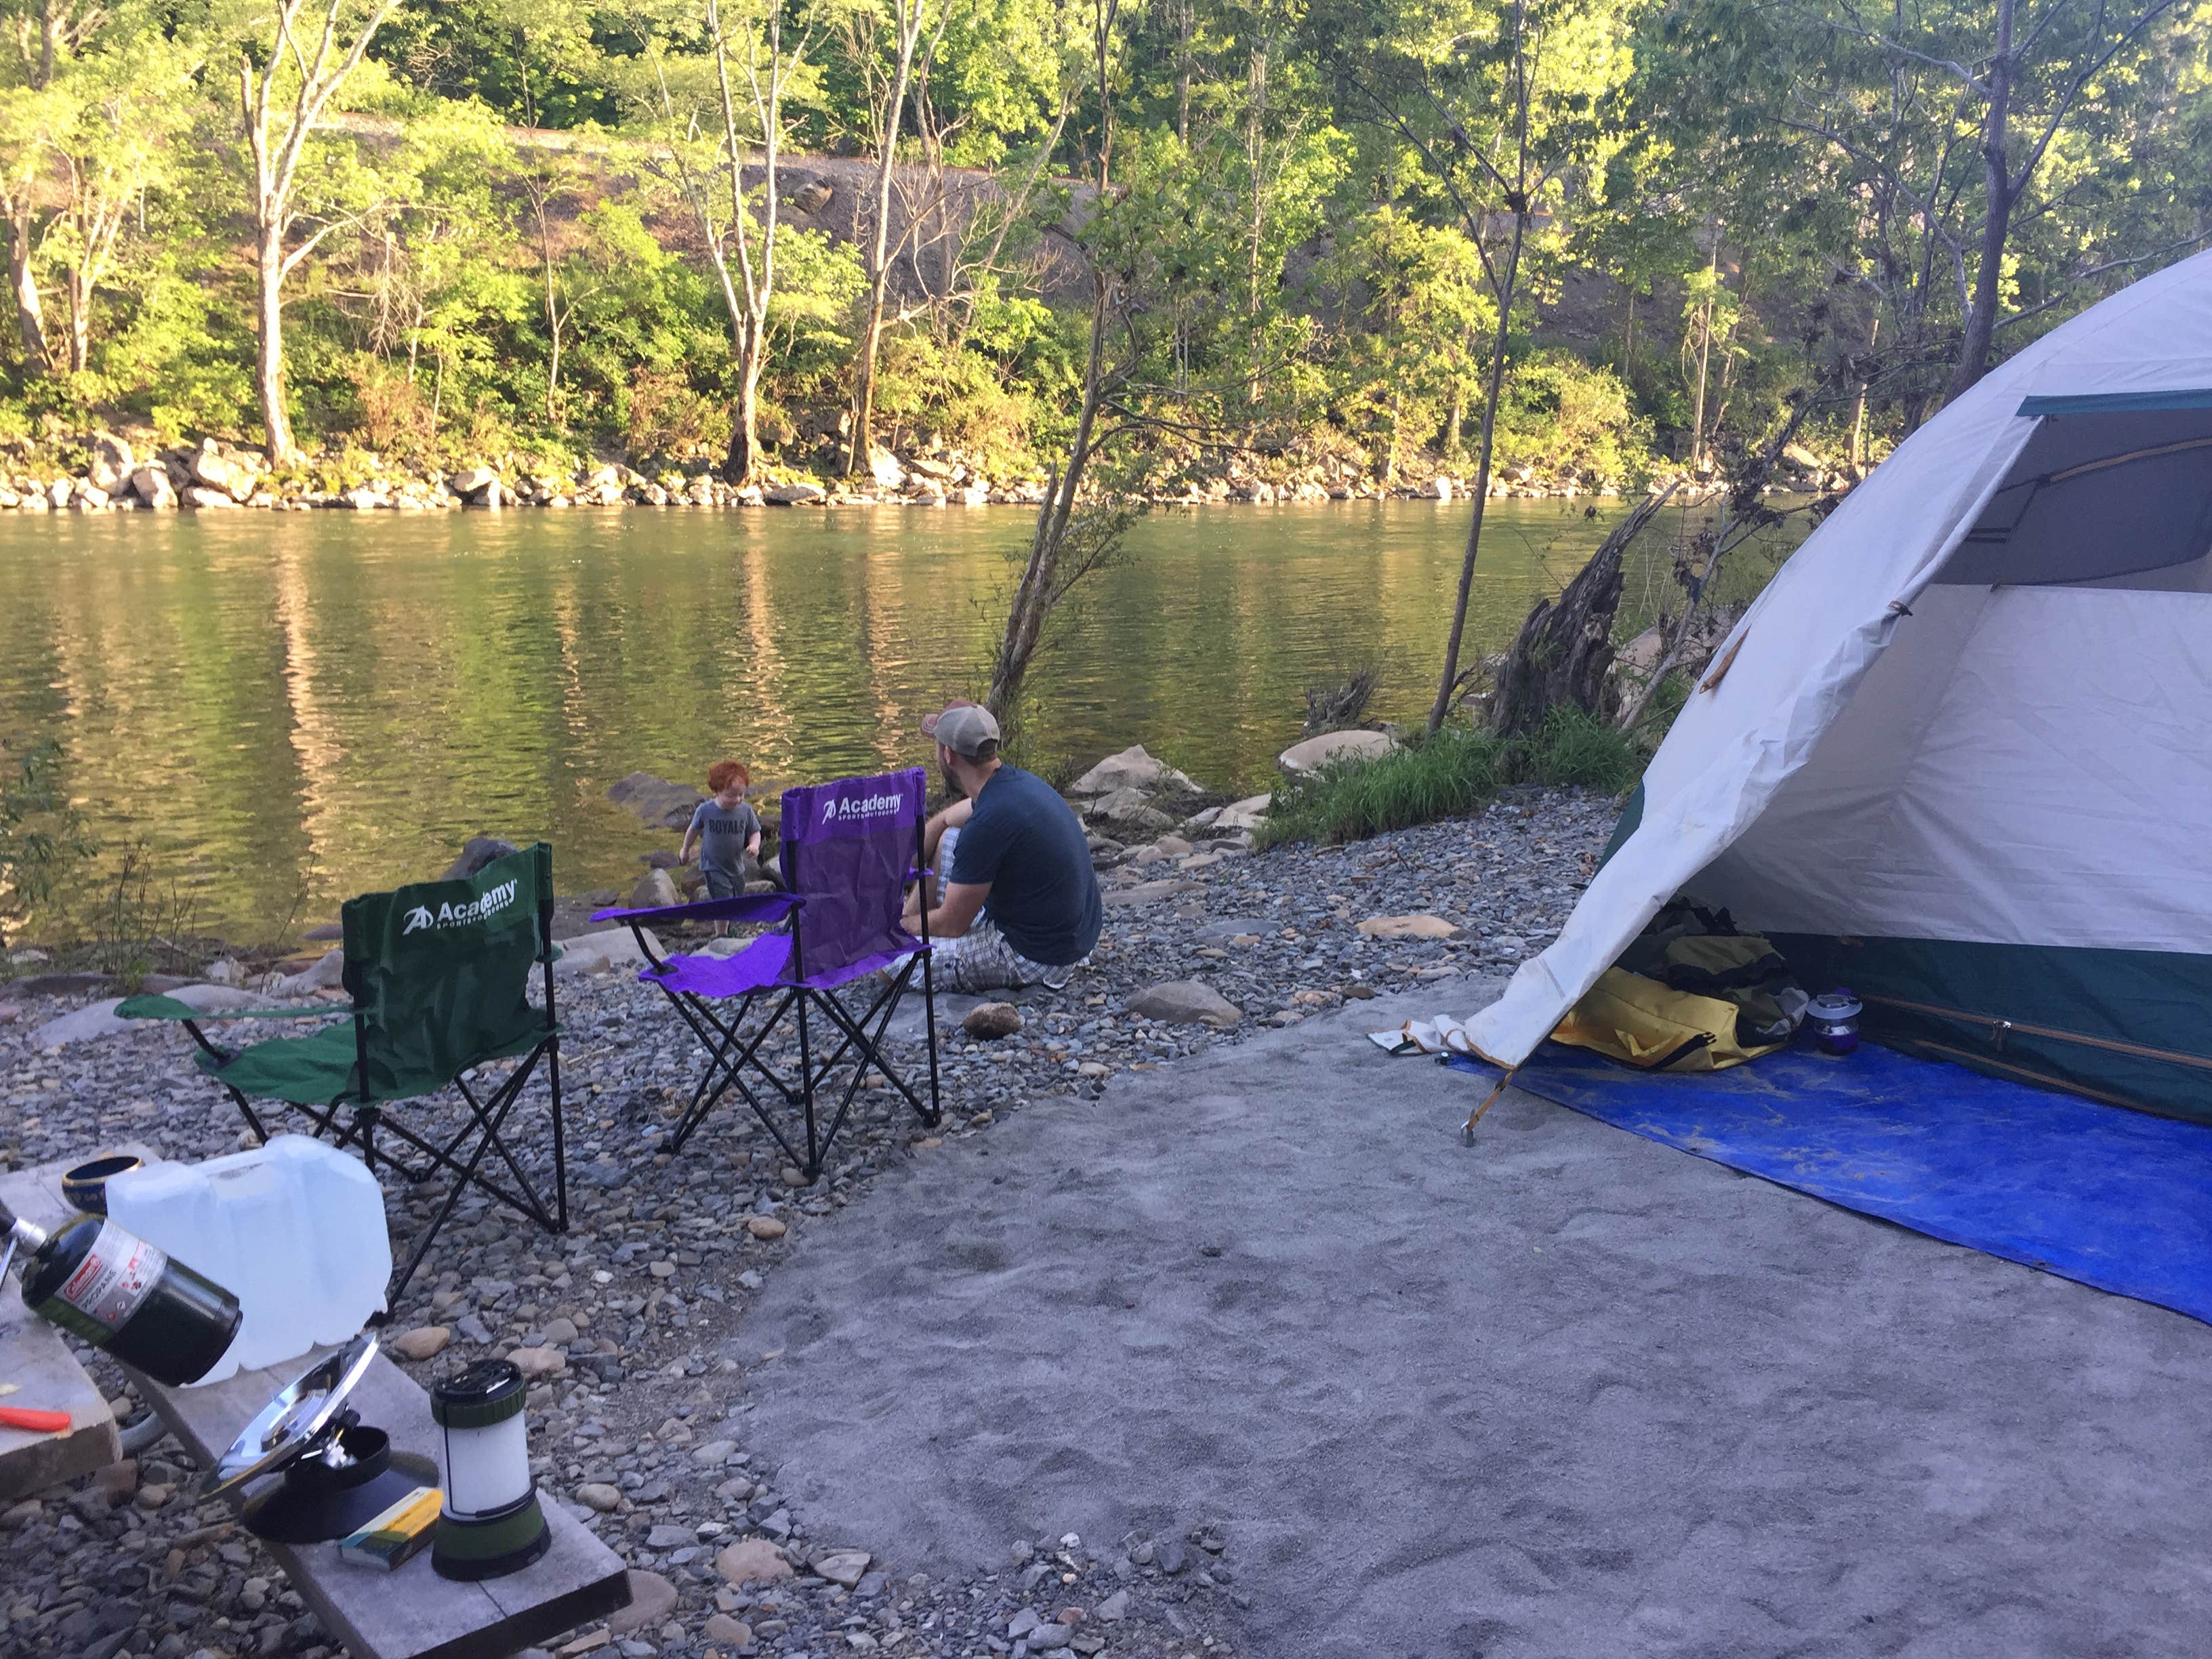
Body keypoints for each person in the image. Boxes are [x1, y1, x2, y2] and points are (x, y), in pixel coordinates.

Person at [908, 701, 1101, 993]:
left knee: (890, 966)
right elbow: (947, 820)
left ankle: (909, 931)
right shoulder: (1011, 785)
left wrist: (899, 928)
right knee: (949, 839)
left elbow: (952, 925)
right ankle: (916, 923)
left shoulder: (988, 823)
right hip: (1073, 935)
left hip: (1038, 955)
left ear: (948, 755)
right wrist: (905, 872)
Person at [680, 760, 763, 932]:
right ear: (716, 791)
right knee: (722, 899)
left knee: (736, 897)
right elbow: (693, 831)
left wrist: (755, 846)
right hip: (713, 865)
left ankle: (730, 926)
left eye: (742, 795)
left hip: (736, 865)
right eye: (732, 796)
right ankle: (721, 934)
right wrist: (685, 850)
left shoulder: (745, 811)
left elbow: (755, 831)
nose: (738, 800)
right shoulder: (706, 810)